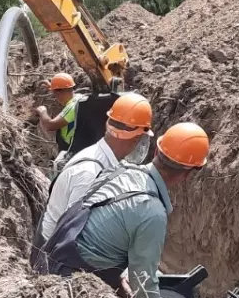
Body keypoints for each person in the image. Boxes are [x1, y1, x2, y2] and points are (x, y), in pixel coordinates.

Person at [38, 122, 209, 298]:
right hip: (70, 289)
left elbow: (101, 229)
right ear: (187, 175)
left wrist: (118, 277)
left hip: (51, 261)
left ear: (157, 150)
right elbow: (143, 278)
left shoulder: (121, 171)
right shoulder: (151, 212)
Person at [38, 92, 153, 244]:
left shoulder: (104, 160)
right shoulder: (90, 173)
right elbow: (71, 235)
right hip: (53, 254)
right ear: (137, 138)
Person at [36, 73, 81, 165]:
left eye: (55, 94)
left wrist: (42, 111)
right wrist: (53, 88)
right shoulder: (79, 98)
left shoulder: (72, 108)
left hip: (71, 150)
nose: (56, 98)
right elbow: (62, 90)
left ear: (58, 92)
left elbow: (50, 125)